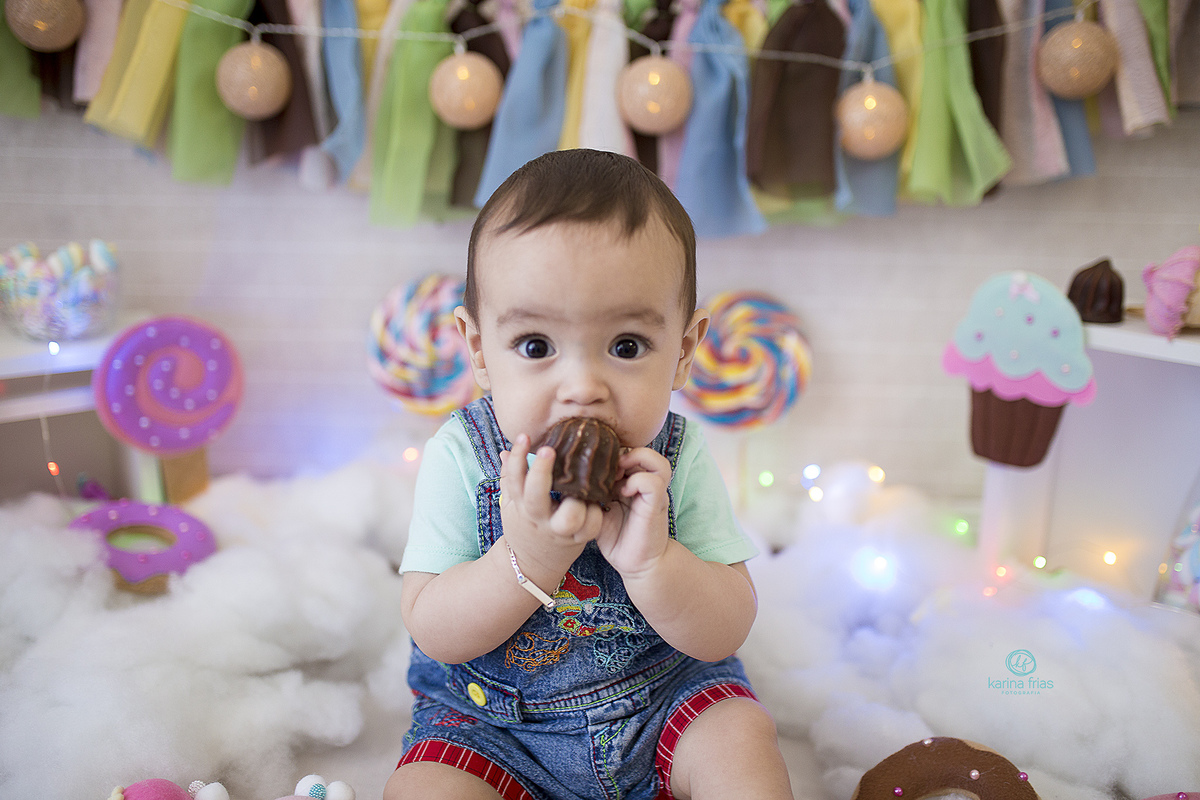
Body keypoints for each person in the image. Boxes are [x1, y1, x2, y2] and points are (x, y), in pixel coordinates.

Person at [384, 149, 794, 800]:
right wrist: (525, 560)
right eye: (536, 346)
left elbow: (726, 628)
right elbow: (433, 629)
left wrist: (654, 562)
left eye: (626, 346)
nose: (582, 387)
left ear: (683, 350)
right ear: (479, 349)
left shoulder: (676, 456)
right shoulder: (463, 455)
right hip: (493, 728)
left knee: (740, 737)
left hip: (663, 702)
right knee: (423, 790)